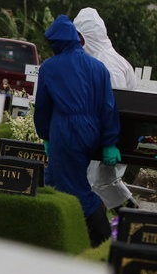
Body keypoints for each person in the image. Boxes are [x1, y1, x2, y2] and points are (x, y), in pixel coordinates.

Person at [34, 14, 121, 247]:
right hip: (91, 130)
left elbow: (43, 107)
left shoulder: (50, 67)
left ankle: (104, 240)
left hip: (66, 129)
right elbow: (108, 107)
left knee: (73, 186)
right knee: (54, 180)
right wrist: (109, 141)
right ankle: (57, 230)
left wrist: (45, 135)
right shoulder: (98, 67)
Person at [74, 7, 138, 211]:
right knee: (98, 184)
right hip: (104, 134)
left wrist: (107, 141)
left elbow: (114, 106)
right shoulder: (101, 59)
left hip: (109, 138)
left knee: (100, 184)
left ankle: (133, 219)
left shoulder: (107, 63)